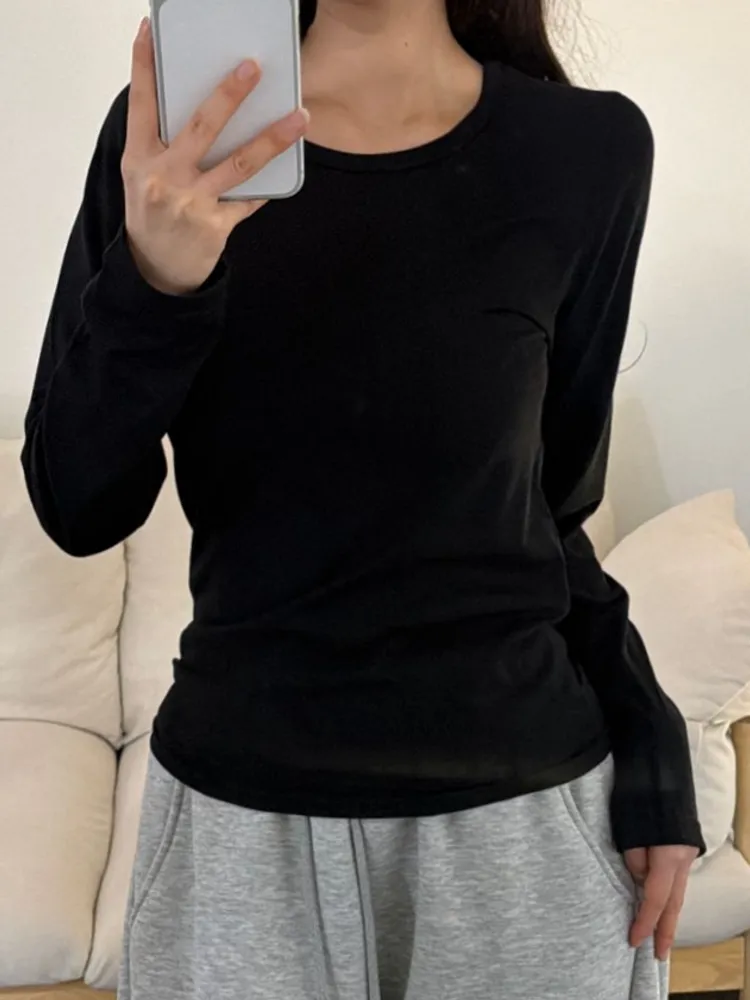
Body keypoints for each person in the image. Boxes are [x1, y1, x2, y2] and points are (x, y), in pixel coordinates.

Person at [22, 1, 704, 998]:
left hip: (526, 821)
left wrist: (652, 742)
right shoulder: (176, 142)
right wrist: (157, 283)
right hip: (240, 819)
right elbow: (76, 503)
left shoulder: (587, 150)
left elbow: (549, 512)